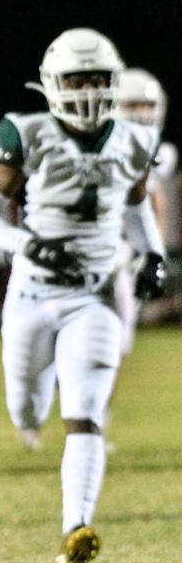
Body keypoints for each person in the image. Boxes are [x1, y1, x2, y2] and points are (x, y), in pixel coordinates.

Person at [0, 28, 165, 563]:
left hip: (94, 295)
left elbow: (134, 203)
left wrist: (150, 253)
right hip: (31, 293)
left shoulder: (132, 138)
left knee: (85, 412)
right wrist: (28, 244)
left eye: (98, 78)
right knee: (26, 406)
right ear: (53, 82)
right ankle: (35, 407)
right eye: (77, 78)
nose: (87, 89)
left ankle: (76, 525)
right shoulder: (27, 132)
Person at [112, 67, 178, 352]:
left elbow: (155, 201)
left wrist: (156, 249)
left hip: (130, 246)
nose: (141, 112)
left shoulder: (162, 153)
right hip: (98, 241)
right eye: (133, 104)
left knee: (121, 333)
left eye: (148, 105)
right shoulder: (103, 147)